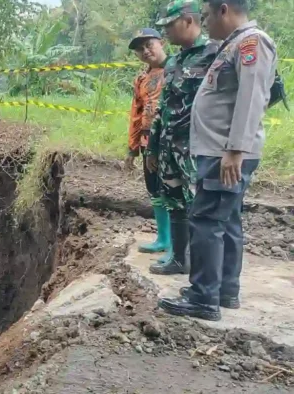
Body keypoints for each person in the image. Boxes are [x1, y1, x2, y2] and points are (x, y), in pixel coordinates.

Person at [158, 0, 278, 322]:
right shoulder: (232, 44)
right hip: (221, 150)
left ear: (224, 9)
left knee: (207, 221)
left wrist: (235, 150)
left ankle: (203, 298)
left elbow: (252, 98)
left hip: (226, 153)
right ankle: (224, 290)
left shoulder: (252, 42)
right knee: (227, 221)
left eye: (208, 15)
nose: (206, 22)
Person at [145, 0, 219, 276]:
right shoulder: (174, 61)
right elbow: (163, 107)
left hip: (197, 149)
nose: (167, 33)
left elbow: (260, 92)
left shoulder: (216, 53)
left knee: (198, 207)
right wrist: (153, 147)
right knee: (174, 201)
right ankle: (178, 258)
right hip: (169, 148)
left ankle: (202, 270)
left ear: (188, 21)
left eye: (170, 26)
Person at [126, 29, 169, 256]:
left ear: (161, 43)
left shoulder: (178, 69)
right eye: (139, 50)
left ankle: (180, 245)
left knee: (176, 192)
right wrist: (132, 149)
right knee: (155, 190)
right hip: (147, 142)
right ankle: (163, 238)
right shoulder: (141, 79)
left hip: (173, 142)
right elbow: (136, 113)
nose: (145, 52)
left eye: (149, 45)